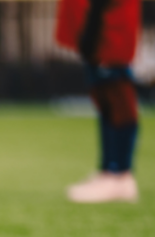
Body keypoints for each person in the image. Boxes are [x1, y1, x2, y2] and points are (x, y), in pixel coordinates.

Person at [57, 0, 141, 203]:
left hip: (110, 34)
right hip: (102, 32)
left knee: (118, 104)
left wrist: (92, 30)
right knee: (106, 104)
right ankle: (109, 171)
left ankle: (119, 173)